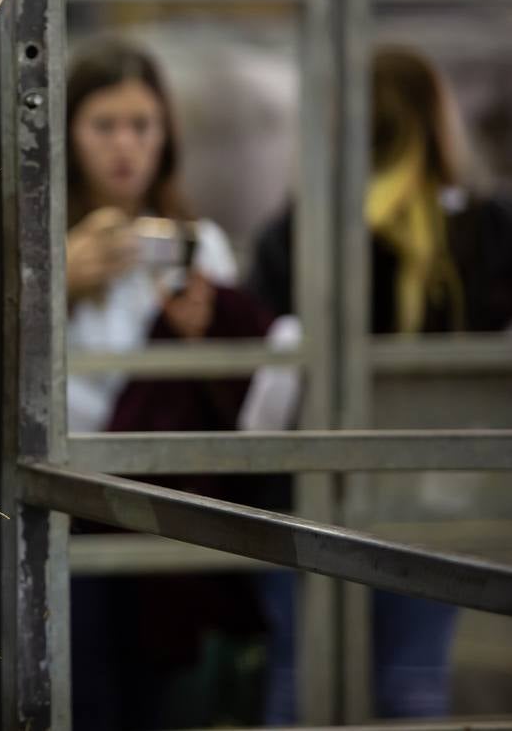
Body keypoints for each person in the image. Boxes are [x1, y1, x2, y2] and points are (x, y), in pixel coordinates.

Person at [247, 45, 512, 722]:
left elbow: (265, 364)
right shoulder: (483, 232)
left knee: (300, 690)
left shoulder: (302, 229)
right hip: (431, 501)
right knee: (411, 691)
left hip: (306, 496)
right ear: (434, 118)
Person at [64, 38, 278, 730]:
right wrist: (52, 282)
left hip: (167, 512)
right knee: (80, 692)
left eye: (141, 125)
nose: (124, 146)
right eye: (104, 126)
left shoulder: (202, 243)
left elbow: (246, 386)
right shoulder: (33, 240)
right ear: (68, 133)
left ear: (166, 136)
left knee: (160, 700)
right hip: (65, 506)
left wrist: (203, 335)